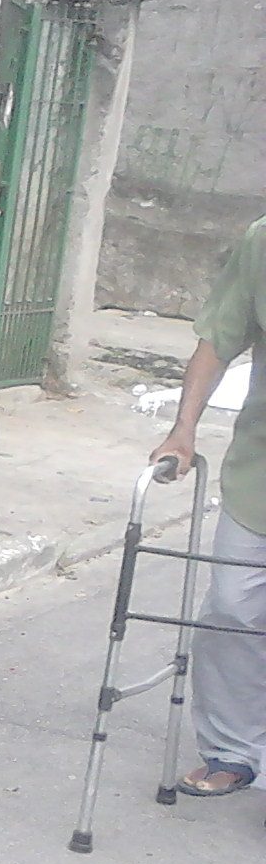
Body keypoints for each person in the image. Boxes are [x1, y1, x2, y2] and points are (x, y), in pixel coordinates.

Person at [150, 215, 266, 797]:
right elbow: (219, 338)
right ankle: (233, 749)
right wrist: (183, 428)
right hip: (259, 476)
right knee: (230, 611)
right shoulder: (263, 241)